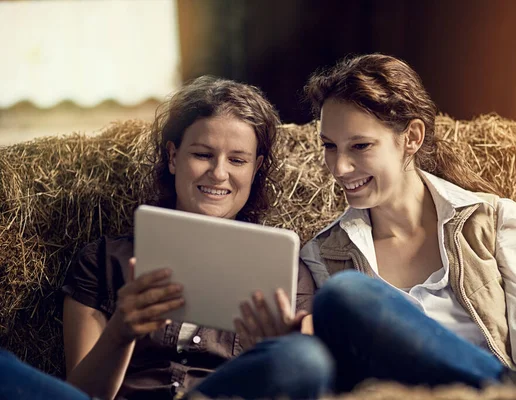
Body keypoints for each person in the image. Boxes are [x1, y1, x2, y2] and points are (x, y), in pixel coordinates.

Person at [292, 53, 516, 397]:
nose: (340, 167)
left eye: (360, 146)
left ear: (412, 137)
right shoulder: (321, 255)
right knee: (344, 295)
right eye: (329, 147)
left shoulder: (494, 220)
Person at [59, 76, 331, 400]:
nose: (218, 173)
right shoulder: (102, 261)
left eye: (237, 160)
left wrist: (273, 357)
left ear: (256, 169)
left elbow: (307, 374)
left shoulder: (287, 273)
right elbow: (78, 395)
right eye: (203, 154)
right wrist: (121, 331)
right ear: (173, 157)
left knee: (305, 357)